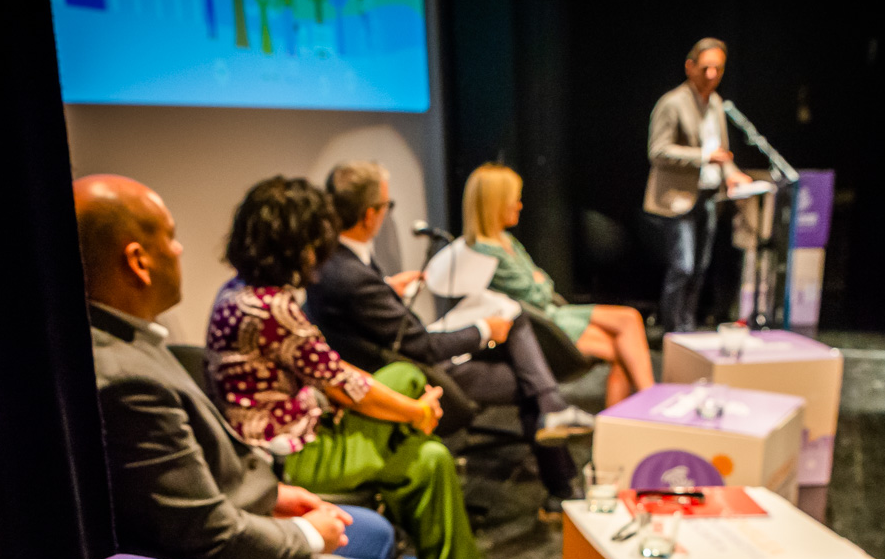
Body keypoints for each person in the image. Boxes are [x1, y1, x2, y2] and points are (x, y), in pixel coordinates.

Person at [74, 173, 457, 559]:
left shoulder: (217, 302)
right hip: (283, 453)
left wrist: (273, 496)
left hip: (267, 460)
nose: (179, 249)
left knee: (404, 391)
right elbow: (202, 531)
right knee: (428, 462)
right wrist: (307, 533)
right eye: (171, 237)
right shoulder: (134, 375)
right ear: (138, 261)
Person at [204, 176, 509, 559]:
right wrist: (417, 413)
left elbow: (328, 371)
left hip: (297, 426)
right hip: (291, 456)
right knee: (429, 457)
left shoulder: (240, 291)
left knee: (406, 376)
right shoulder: (272, 309)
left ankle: (430, 554)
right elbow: (343, 384)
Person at [304, 160, 595, 519]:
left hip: (400, 356)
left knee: (523, 350)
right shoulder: (352, 275)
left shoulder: (334, 259)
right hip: (413, 373)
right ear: (369, 215)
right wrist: (484, 330)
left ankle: (558, 463)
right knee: (528, 370)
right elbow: (423, 347)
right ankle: (561, 475)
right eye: (387, 206)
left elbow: (361, 313)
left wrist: (387, 289)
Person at [464, 163, 654, 407]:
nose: (519, 206)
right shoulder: (485, 252)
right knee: (620, 350)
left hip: (553, 313)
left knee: (629, 319)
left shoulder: (506, 240)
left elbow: (542, 282)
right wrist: (539, 282)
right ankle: (645, 406)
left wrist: (539, 283)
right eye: (514, 200)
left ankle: (643, 403)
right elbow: (537, 294)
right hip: (542, 327)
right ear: (496, 203)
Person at [643, 37, 754, 332]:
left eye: (718, 69)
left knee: (701, 269)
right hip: (677, 198)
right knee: (683, 266)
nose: (711, 75)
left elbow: (721, 151)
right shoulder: (672, 103)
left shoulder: (716, 102)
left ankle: (687, 327)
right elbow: (658, 151)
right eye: (705, 68)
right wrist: (704, 156)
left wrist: (732, 173)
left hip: (709, 195)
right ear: (689, 67)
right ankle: (672, 332)